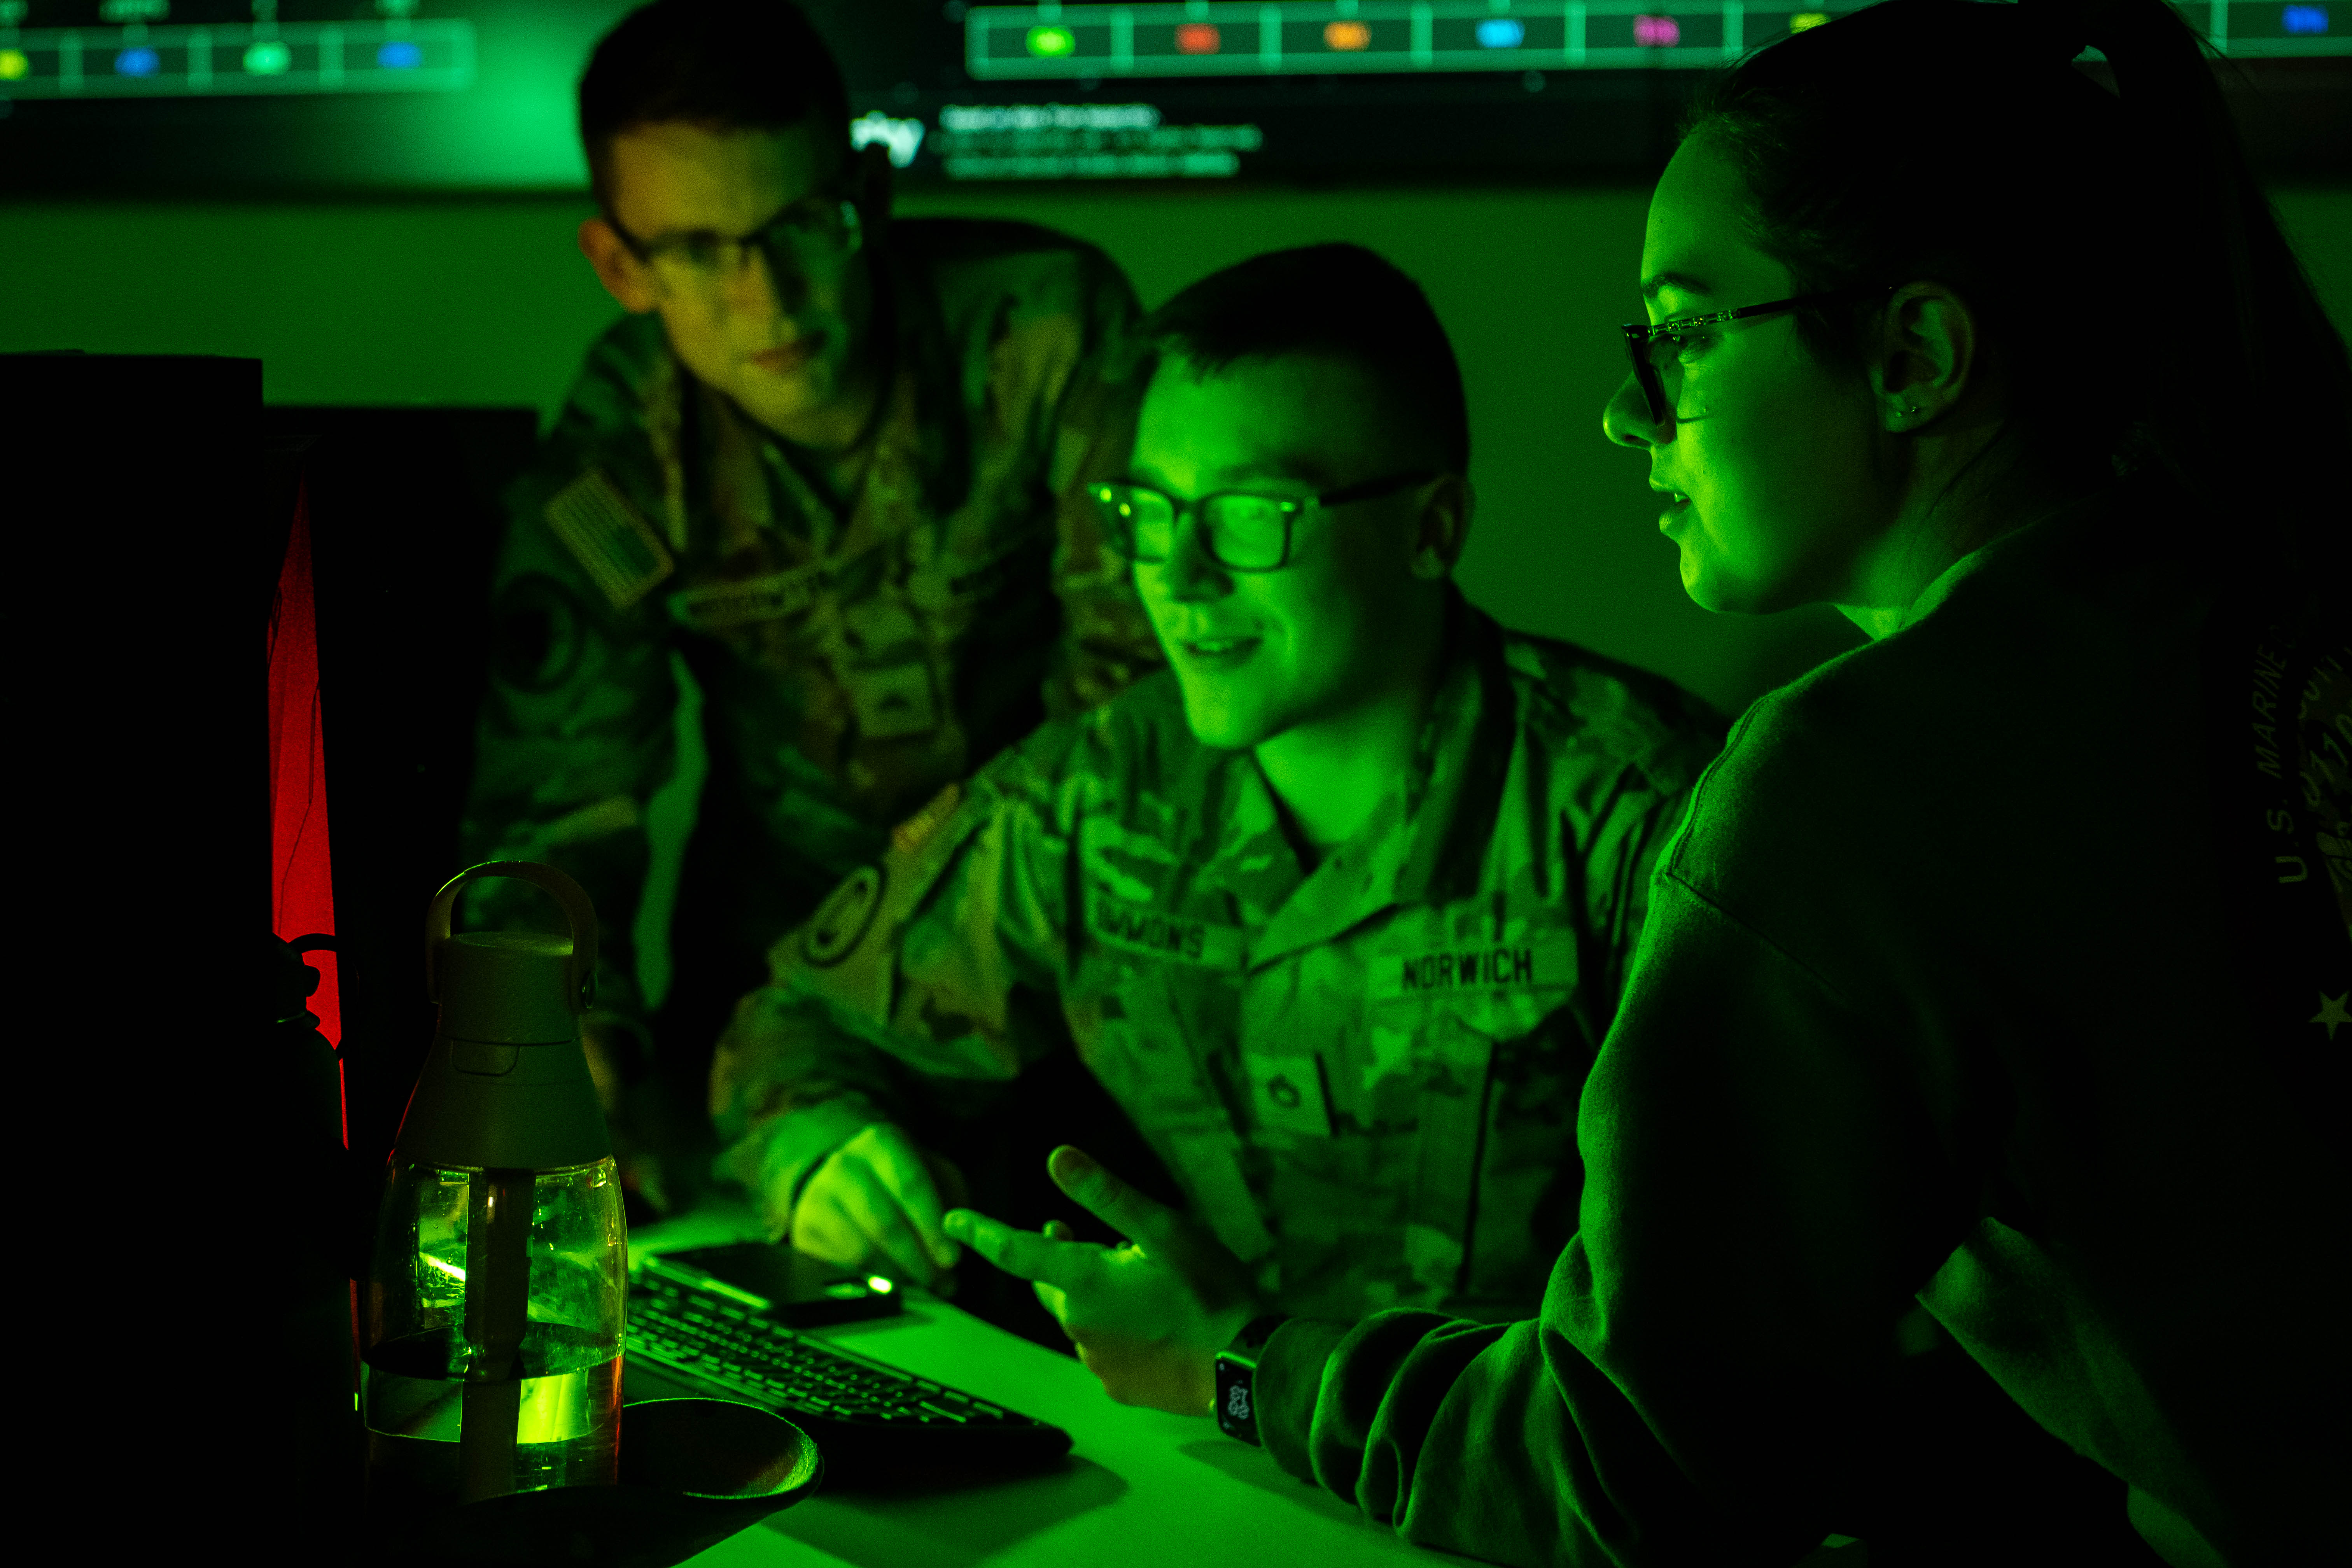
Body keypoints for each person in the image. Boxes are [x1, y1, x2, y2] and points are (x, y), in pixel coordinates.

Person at [946, 2, 2351, 1563]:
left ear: (1912, 356)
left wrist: (1238, 1366)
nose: (1627, 413)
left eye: (1681, 336)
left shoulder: (1845, 794)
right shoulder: (2258, 606)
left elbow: (1622, 1479)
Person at [706, 244, 1724, 1351]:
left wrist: (1246, 1374)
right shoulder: (1101, 790)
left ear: (1432, 528)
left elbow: (1753, 1303)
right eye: (1146, 508)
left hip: (1527, 1487)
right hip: (1215, 1477)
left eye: (1251, 514)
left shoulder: (1641, 816)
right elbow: (799, 1021)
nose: (1177, 578)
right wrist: (823, 1147)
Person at [459, 0, 1161, 1212]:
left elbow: (1138, 726)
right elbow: (561, 800)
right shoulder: (623, 449)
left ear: (870, 198)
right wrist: (568, 1038)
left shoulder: (1045, 332)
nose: (767, 298)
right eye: (696, 249)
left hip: (1074, 981)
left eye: (799, 226)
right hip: (775, 1003)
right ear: (621, 265)